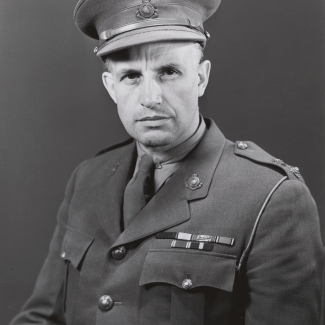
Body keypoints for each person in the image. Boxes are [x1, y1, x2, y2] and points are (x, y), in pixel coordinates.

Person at [9, 0, 323, 324]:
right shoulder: (87, 179)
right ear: (110, 87)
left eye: (168, 72)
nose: (150, 97)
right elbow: (42, 317)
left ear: (201, 78)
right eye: (131, 76)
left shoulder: (271, 199)